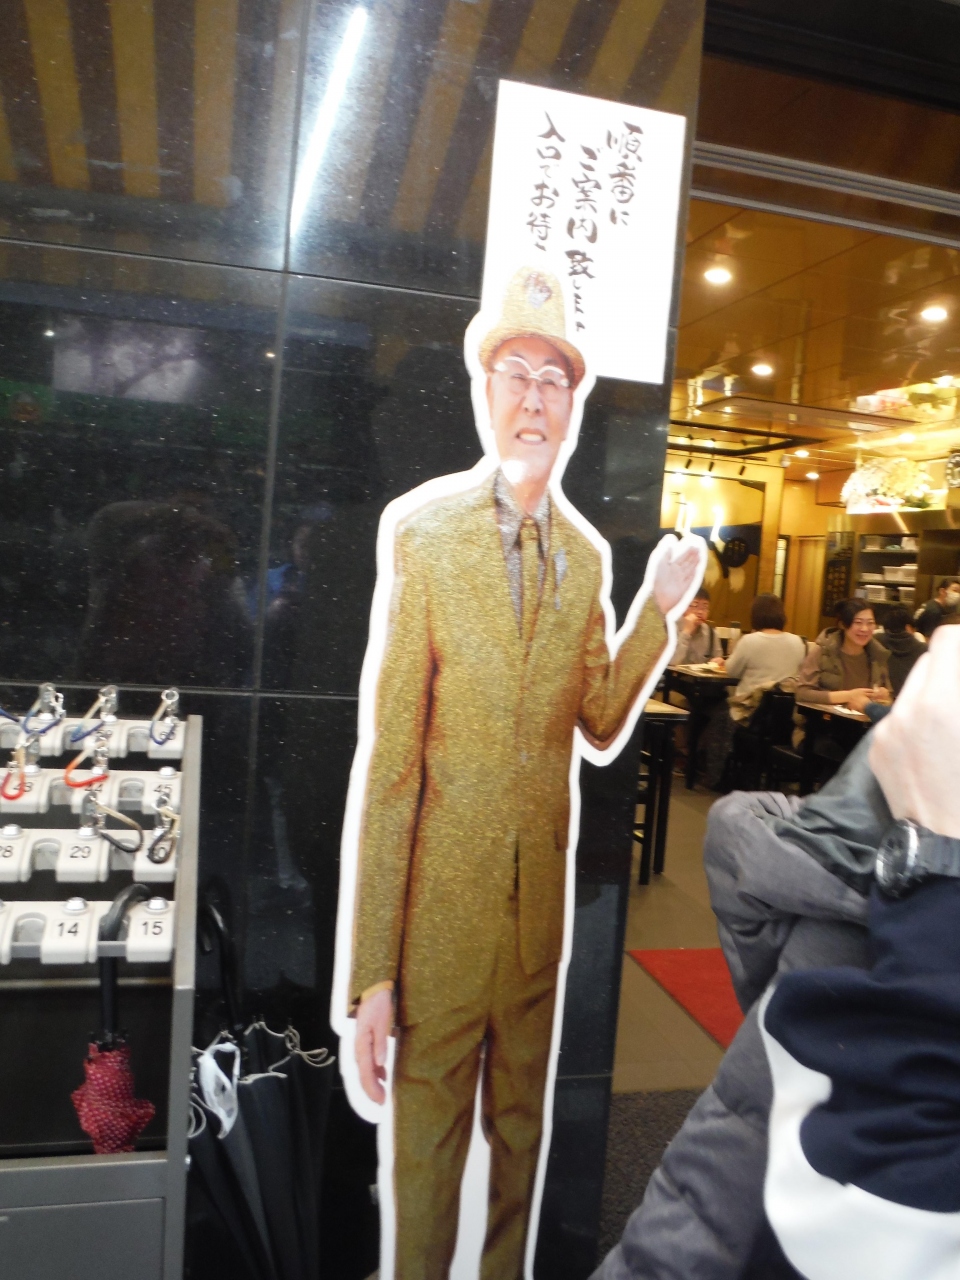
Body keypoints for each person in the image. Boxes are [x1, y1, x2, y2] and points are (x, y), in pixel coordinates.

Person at [348, 267, 700, 1280]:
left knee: (520, 1147)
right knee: (426, 1157)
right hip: (439, 921)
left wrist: (655, 614)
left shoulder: (585, 561)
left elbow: (596, 717)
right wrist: (373, 972)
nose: (536, 398)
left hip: (536, 914)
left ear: (572, 407)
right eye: (518, 374)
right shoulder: (426, 539)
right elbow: (393, 767)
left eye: (555, 380)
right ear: (486, 390)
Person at [795, 599, 891, 713]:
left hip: (862, 721)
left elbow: (889, 698)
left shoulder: (877, 655)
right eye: (858, 622)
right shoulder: (823, 651)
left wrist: (885, 696)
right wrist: (848, 696)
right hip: (825, 720)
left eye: (870, 623)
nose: (865, 629)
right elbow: (802, 693)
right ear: (843, 624)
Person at [724, 593, 805, 710]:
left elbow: (732, 671)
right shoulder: (797, 642)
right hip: (784, 712)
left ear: (755, 616)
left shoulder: (749, 641)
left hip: (748, 711)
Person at [875, 603, 925, 695]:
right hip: (912, 701)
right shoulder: (924, 650)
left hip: (878, 698)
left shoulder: (874, 642)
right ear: (908, 628)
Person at [672, 587, 723, 665]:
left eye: (705, 607)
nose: (700, 612)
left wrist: (720, 661)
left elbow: (718, 660)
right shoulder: (670, 628)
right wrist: (686, 632)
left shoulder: (711, 633)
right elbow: (673, 661)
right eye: (695, 606)